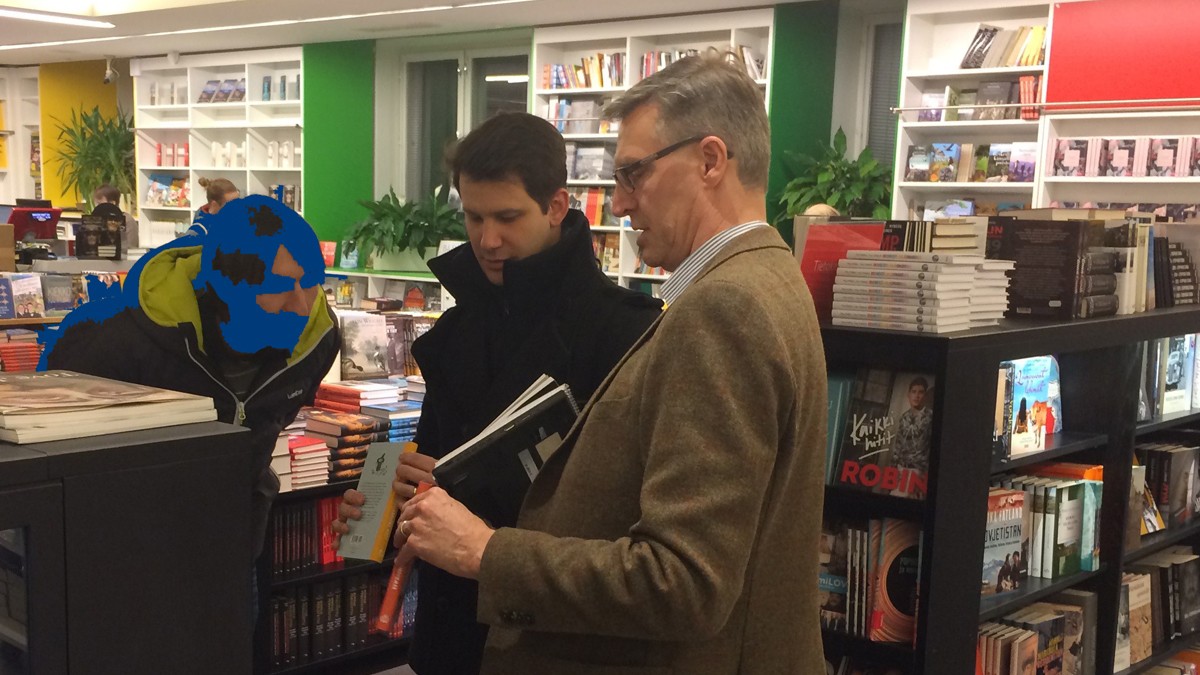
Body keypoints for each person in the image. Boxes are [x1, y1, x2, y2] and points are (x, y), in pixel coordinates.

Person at [393, 54, 827, 674]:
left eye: (634, 174)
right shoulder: (771, 275)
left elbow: (683, 582)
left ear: (710, 161)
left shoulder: (723, 307)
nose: (618, 204)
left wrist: (486, 551)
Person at [332, 112, 662, 675]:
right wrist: (384, 512)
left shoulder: (626, 332)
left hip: (553, 643)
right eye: (473, 216)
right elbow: (427, 464)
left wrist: (472, 504)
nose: (487, 240)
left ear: (556, 206)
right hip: (448, 636)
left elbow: (627, 524)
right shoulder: (458, 330)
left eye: (507, 218)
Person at [42, 195, 339, 624]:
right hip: (124, 564)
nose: (302, 305)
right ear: (230, 286)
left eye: (310, 282)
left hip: (234, 550)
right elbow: (54, 464)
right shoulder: (112, 340)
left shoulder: (317, 340)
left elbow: (274, 416)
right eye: (279, 285)